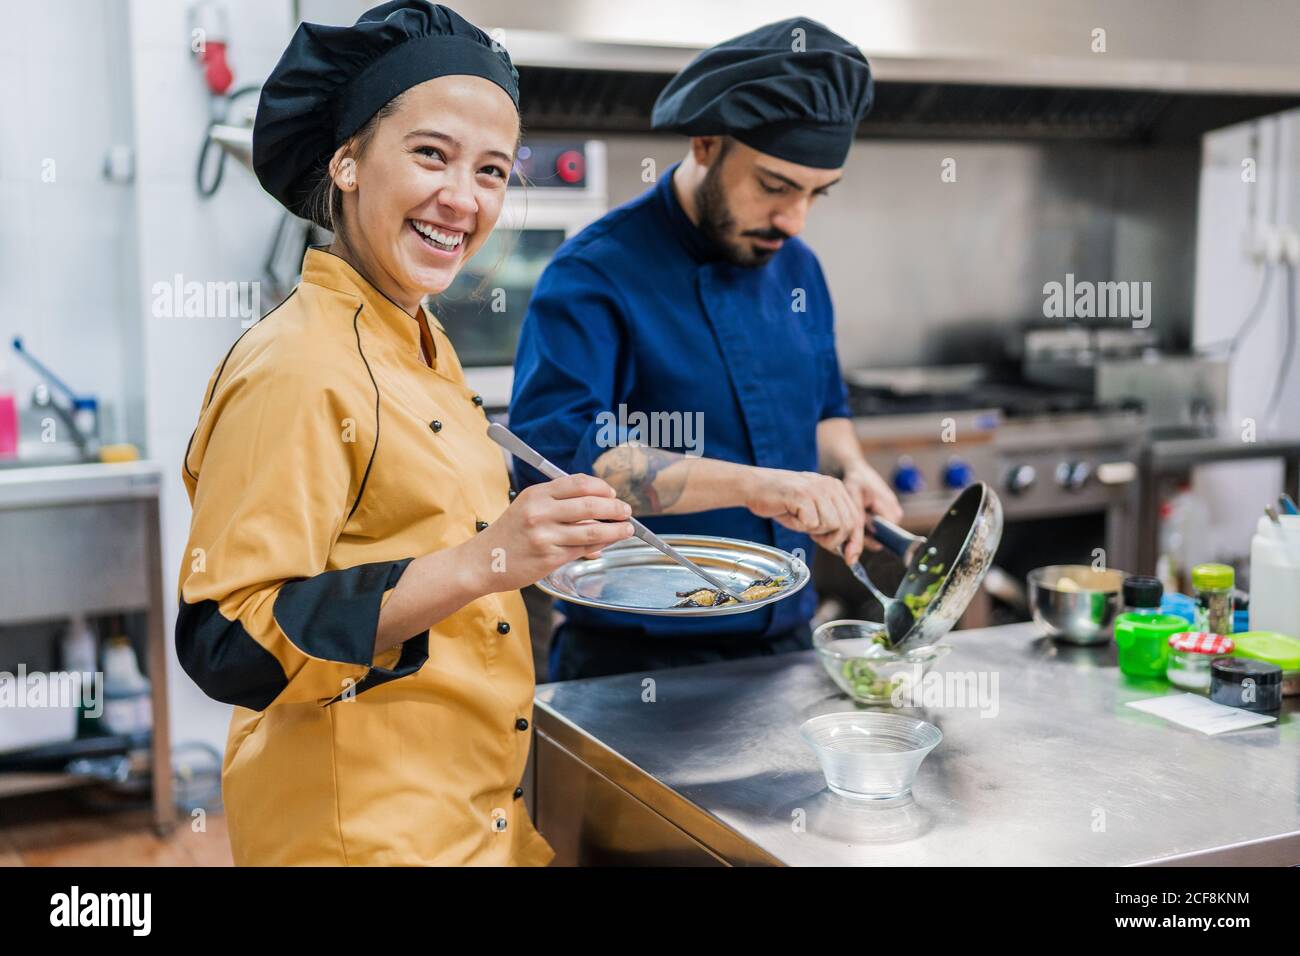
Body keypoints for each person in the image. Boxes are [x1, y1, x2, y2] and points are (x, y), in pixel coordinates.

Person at [174, 1, 632, 866]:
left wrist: (532, 543)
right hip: (362, 841)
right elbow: (229, 643)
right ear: (347, 162)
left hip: (474, 823)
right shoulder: (298, 365)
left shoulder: (421, 341)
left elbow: (423, 543)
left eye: (493, 170)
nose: (464, 199)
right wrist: (488, 559)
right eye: (432, 154)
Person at [509, 18, 903, 681]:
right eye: (776, 186)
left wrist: (852, 465)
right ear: (705, 145)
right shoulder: (595, 274)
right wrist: (760, 487)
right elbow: (563, 466)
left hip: (785, 652)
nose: (795, 219)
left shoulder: (797, 269)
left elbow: (827, 405)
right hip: (632, 667)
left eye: (815, 193)